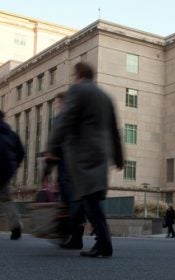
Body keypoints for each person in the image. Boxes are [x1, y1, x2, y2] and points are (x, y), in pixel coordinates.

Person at [47, 62, 124, 258]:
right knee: (87, 198)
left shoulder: (77, 90)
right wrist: (118, 156)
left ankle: (103, 243)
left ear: (79, 74)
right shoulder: (105, 96)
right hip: (101, 152)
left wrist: (52, 147)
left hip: (83, 152)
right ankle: (75, 237)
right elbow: (115, 130)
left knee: (88, 198)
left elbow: (64, 119)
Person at [43, 92, 86, 249]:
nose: (56, 106)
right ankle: (75, 236)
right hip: (80, 166)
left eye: (57, 103)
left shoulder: (62, 117)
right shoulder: (79, 119)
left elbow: (55, 142)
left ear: (63, 103)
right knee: (76, 200)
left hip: (66, 166)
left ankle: (68, 233)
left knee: (69, 201)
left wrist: (47, 169)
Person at [0, 110, 24, 240]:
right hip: (6, 170)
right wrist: (15, 165)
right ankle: (16, 227)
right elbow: (21, 152)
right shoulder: (11, 134)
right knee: (6, 199)